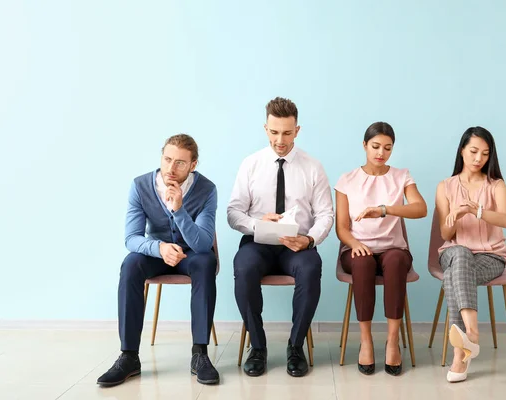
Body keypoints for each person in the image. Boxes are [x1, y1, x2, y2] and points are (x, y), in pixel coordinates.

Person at [97, 134, 220, 387]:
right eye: (167, 160)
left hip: (191, 254)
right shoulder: (140, 186)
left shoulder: (207, 190)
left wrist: (179, 210)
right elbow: (131, 238)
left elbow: (203, 243)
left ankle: (200, 354)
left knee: (206, 261)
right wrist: (159, 247)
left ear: (193, 165)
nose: (171, 169)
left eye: (180, 163)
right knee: (130, 264)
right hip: (156, 253)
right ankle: (129, 356)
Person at [227, 97, 334, 378]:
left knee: (311, 268)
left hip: (297, 245)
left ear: (297, 130)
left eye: (287, 133)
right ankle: (258, 347)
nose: (280, 140)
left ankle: (296, 346)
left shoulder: (313, 167)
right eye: (274, 132)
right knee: (244, 267)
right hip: (258, 242)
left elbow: (325, 214)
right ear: (266, 129)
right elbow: (233, 212)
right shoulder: (251, 164)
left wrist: (309, 240)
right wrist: (256, 222)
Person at [335, 122, 427, 376]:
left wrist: (386, 209)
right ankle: (366, 341)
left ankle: (392, 340)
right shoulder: (347, 180)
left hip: (393, 249)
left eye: (387, 148)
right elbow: (341, 227)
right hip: (356, 249)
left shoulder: (402, 176)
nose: (381, 153)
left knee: (396, 260)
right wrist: (355, 244)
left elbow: (420, 208)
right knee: (363, 262)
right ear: (364, 145)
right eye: (375, 146)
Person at [435, 126, 506, 383]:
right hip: (453, 251)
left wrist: (476, 210)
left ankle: (460, 355)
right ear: (462, 151)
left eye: (485, 153)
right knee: (460, 253)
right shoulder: (445, 187)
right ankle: (472, 333)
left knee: (454, 275)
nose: (479, 158)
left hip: (491, 256)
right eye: (473, 151)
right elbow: (447, 235)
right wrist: (455, 215)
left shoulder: (496, 185)